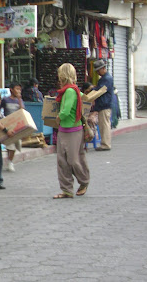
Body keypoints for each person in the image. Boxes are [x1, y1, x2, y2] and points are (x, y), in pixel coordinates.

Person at [53, 63, 90, 199]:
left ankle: (83, 181)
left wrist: (58, 117)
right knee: (64, 160)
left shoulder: (69, 91)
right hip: (66, 130)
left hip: (72, 130)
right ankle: (67, 189)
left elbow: (66, 111)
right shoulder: (72, 90)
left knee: (73, 160)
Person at [1, 82, 24, 172]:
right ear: (11, 89)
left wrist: (19, 99)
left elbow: (22, 110)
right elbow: (0, 108)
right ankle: (10, 162)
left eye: (19, 89)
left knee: (16, 144)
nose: (18, 91)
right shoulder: (5, 100)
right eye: (17, 89)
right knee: (10, 145)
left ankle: (10, 160)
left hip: (17, 125)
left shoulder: (19, 100)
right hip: (8, 125)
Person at [93, 60, 114, 151]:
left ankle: (105, 144)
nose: (98, 72)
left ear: (103, 68)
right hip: (105, 104)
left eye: (98, 70)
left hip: (104, 105)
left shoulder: (106, 79)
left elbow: (100, 90)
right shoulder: (106, 78)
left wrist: (93, 89)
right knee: (104, 125)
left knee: (104, 125)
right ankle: (105, 143)